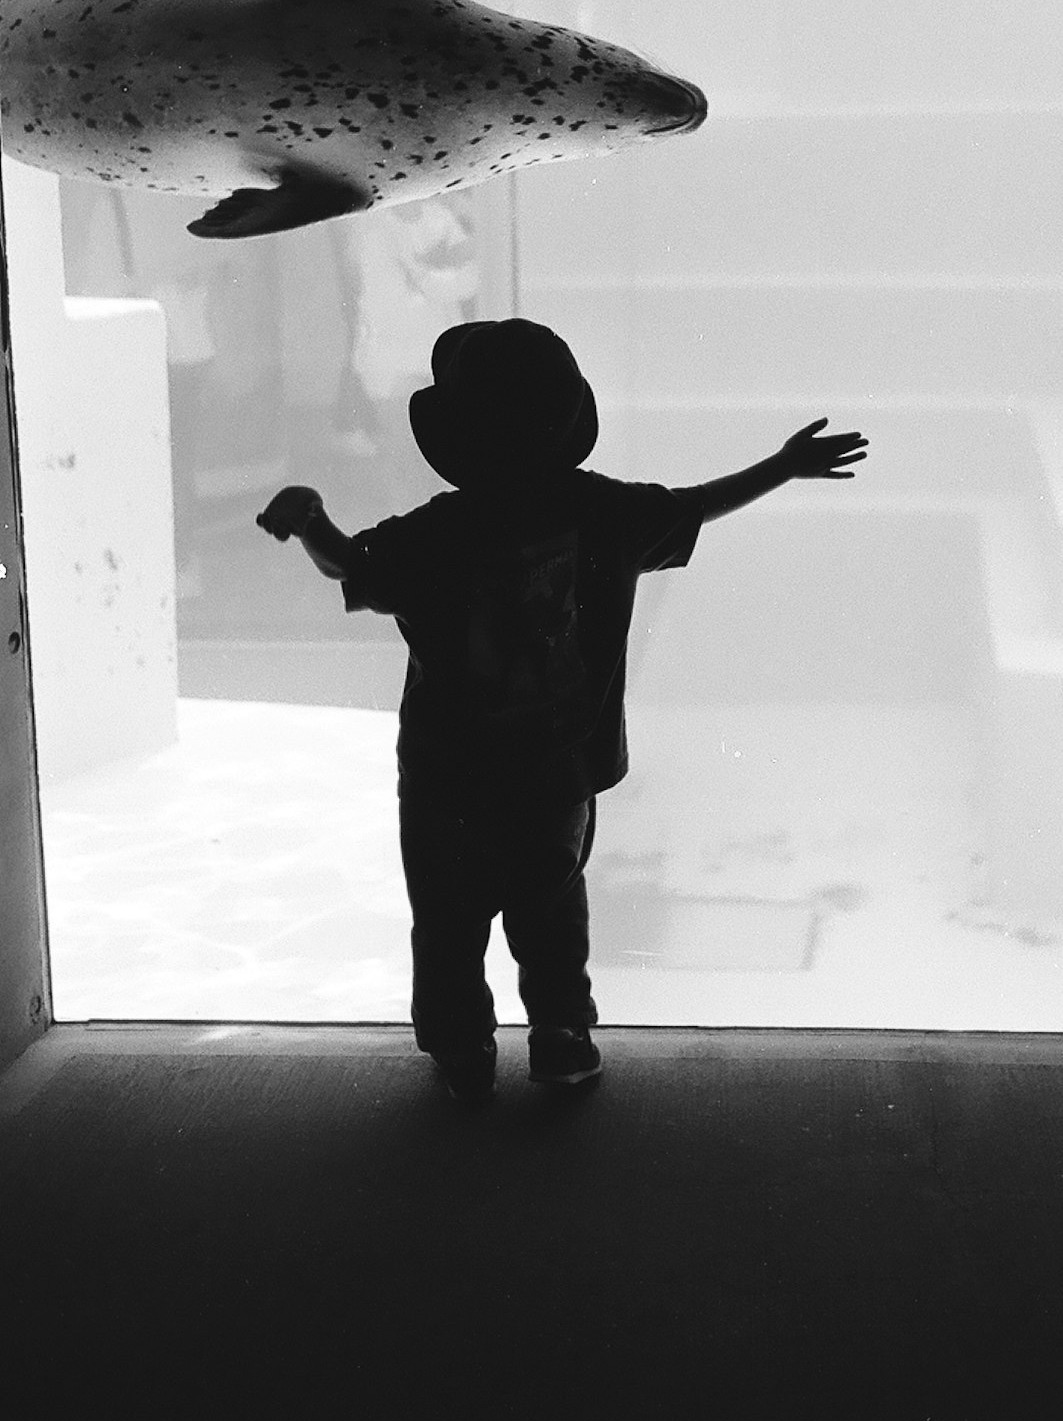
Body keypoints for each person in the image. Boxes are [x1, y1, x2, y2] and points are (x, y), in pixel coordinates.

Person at [256, 318, 866, 1106]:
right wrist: (784, 467)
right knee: (549, 911)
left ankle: (460, 1045)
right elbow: (698, 505)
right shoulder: (604, 513)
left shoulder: (437, 533)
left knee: (446, 920)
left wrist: (310, 521)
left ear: (457, 437)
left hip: (447, 780)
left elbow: (353, 565)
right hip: (555, 773)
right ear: (567, 419)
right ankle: (561, 1036)